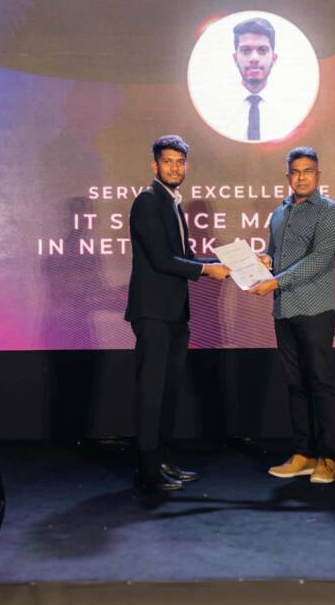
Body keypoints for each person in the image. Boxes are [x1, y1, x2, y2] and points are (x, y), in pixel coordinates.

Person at [125, 135, 230, 492]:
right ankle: (147, 471)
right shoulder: (147, 201)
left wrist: (225, 264)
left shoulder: (171, 203)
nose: (174, 167)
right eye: (167, 161)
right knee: (152, 393)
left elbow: (184, 258)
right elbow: (162, 260)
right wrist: (208, 270)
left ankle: (162, 462)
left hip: (174, 313)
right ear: (155, 165)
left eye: (179, 162)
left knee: (168, 392)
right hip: (154, 313)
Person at [249, 147, 335, 483]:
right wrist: (264, 260)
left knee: (320, 383)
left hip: (315, 309)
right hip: (284, 309)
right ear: (288, 175)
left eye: (308, 171)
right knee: (295, 384)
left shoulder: (330, 212)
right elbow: (275, 254)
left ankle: (328, 457)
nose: (301, 177)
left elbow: (320, 259)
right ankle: (303, 454)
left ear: (318, 175)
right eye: (296, 171)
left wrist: (276, 280)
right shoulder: (279, 213)